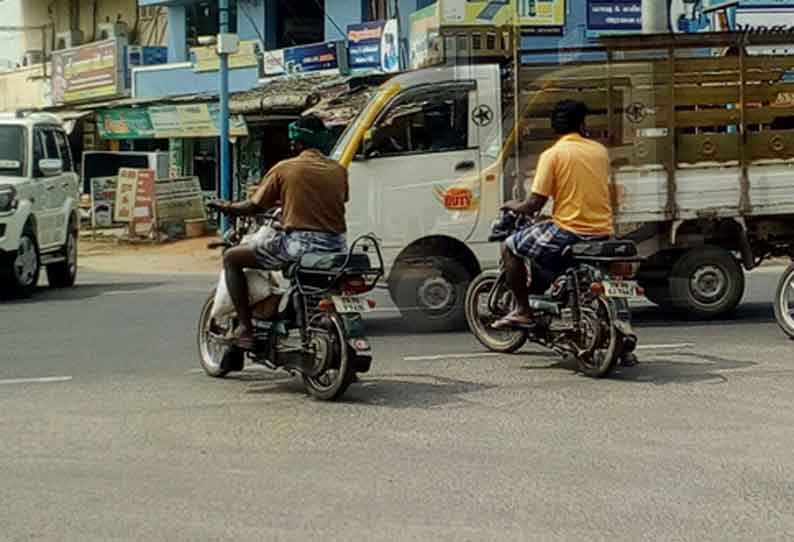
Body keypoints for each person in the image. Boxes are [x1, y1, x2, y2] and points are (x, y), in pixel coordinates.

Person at [209, 115, 348, 350]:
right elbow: (335, 200)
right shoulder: (338, 170)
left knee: (231, 257)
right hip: (337, 246)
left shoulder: (285, 169)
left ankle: (245, 328)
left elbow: (254, 206)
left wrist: (227, 208)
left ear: (296, 144)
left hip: (300, 246)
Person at [493, 100, 614, 329]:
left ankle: (522, 310)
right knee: (544, 231)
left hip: (570, 232)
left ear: (555, 128)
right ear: (582, 124)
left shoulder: (553, 154)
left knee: (510, 247)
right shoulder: (600, 151)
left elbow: (534, 204)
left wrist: (512, 205)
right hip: (603, 231)